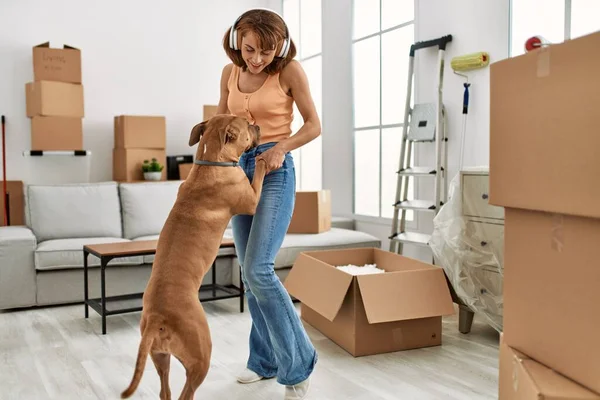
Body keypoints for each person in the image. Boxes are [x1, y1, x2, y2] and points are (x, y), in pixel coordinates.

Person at [215, 8, 321, 400]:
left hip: (274, 170)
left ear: (281, 46)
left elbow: (313, 124)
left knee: (259, 268)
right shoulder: (229, 73)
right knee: (247, 270)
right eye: (249, 49)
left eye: (266, 50)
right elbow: (221, 118)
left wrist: (281, 148)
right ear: (236, 42)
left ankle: (298, 363)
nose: (257, 58)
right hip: (238, 169)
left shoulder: (289, 72)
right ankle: (263, 361)